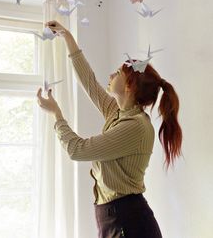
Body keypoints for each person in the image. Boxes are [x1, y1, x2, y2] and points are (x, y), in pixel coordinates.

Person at [37, 20, 183, 238]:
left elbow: (78, 150)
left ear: (129, 85)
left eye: (117, 73)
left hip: (128, 221)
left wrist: (57, 114)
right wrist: (67, 37)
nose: (111, 76)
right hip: (113, 217)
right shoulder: (118, 112)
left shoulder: (136, 127)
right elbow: (89, 82)